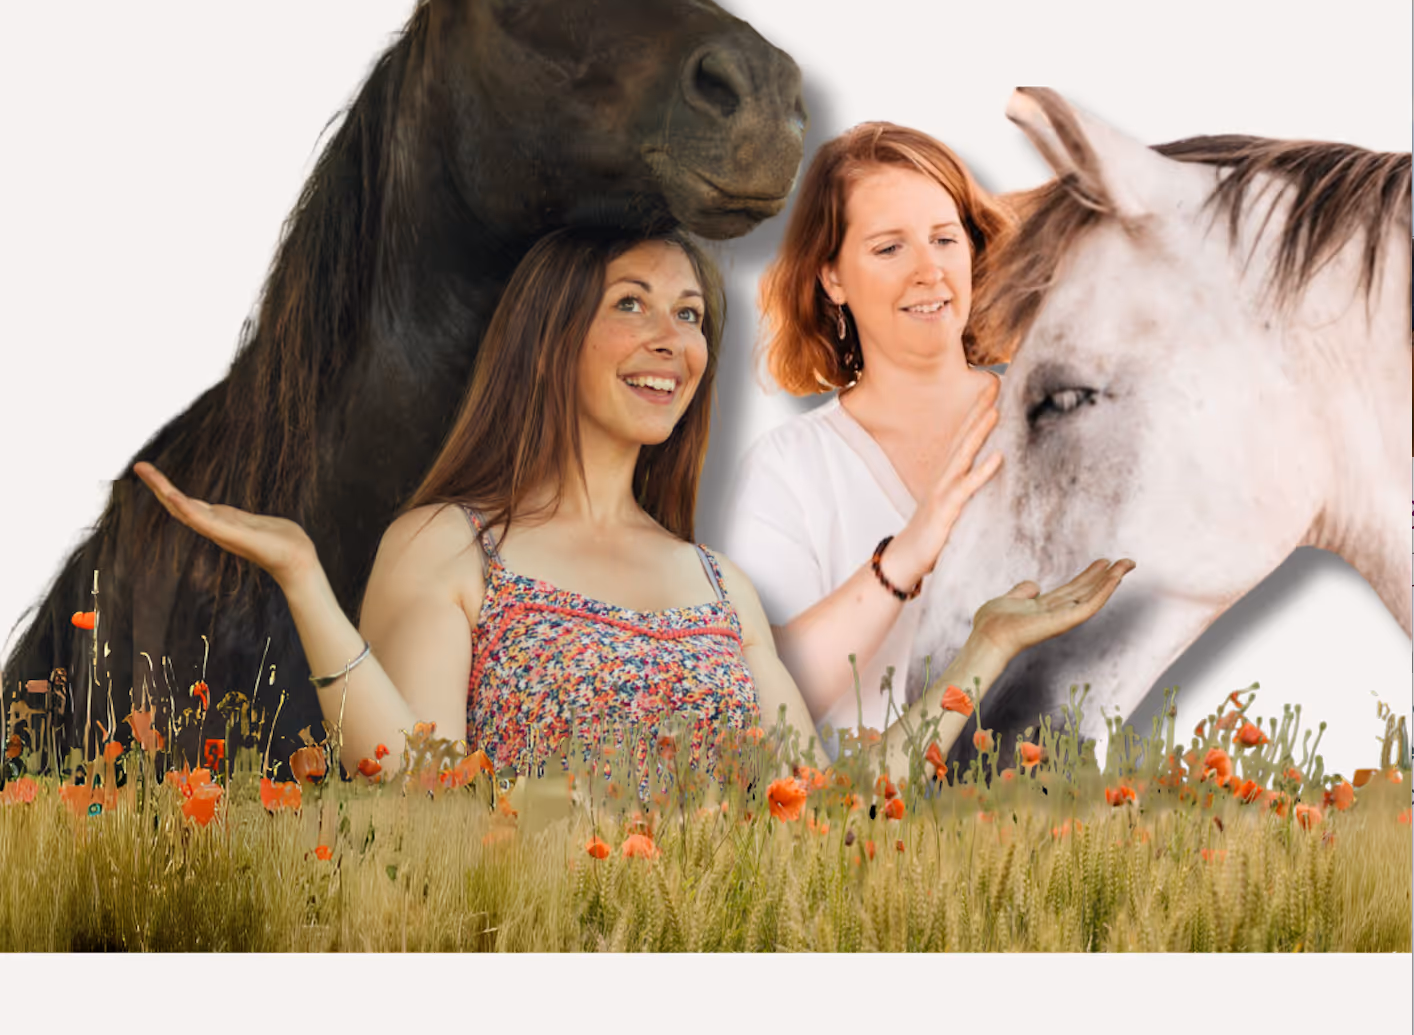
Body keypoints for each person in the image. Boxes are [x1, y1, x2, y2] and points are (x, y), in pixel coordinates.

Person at [136, 224, 1132, 785]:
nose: (673, 339)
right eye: (631, 304)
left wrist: (984, 652)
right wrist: (308, 584)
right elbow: (412, 796)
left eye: (691, 315)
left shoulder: (718, 587)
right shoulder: (450, 544)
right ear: (546, 337)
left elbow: (820, 808)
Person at [723, 122, 1027, 741]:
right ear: (831, 277)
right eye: (890, 248)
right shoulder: (791, 466)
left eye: (945, 239)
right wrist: (906, 556)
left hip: (1049, 818)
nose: (930, 272)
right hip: (860, 828)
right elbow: (767, 702)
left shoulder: (1048, 421)